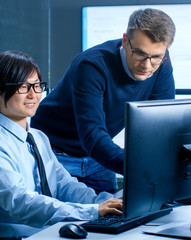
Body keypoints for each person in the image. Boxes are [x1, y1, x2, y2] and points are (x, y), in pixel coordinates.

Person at [0, 50, 122, 240]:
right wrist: (91, 212)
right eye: (23, 87)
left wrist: (108, 203)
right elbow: (20, 202)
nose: (33, 95)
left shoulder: (38, 137)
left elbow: (64, 184)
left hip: (50, 231)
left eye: (37, 86)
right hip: (21, 236)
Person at [31, 8, 176, 194]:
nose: (147, 65)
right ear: (125, 41)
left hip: (98, 156)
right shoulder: (92, 65)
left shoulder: (161, 63)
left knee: (111, 217)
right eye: (139, 54)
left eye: (156, 57)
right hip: (56, 152)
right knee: (63, 219)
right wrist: (138, 166)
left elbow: (162, 123)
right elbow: (91, 132)